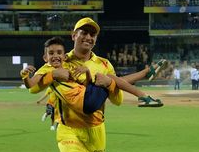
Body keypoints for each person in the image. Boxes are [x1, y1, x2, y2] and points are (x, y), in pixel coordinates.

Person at [21, 18, 167, 152]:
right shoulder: (61, 59)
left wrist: (108, 83)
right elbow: (34, 87)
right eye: (84, 32)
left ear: (95, 39)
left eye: (92, 34)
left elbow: (116, 100)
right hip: (69, 131)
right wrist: (43, 76)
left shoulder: (104, 64)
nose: (88, 37)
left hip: (96, 132)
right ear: (74, 35)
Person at [21, 36, 166, 113]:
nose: (55, 56)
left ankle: (146, 73)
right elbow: (32, 86)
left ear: (64, 56)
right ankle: (142, 96)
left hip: (88, 100)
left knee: (112, 79)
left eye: (59, 53)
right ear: (45, 58)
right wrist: (25, 76)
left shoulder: (69, 65)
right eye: (51, 54)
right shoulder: (46, 69)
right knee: (110, 78)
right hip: (83, 105)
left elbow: (85, 84)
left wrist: (88, 73)